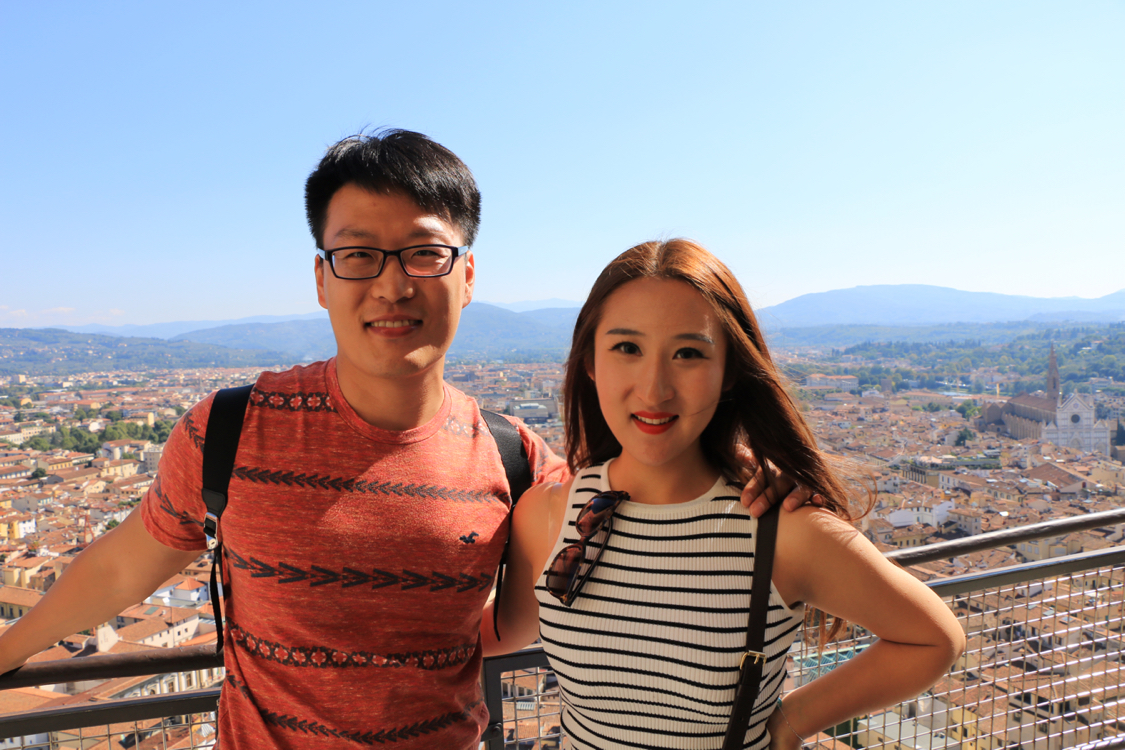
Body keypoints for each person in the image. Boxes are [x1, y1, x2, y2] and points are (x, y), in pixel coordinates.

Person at [0, 133, 805, 750]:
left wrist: (740, 474)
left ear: (467, 276)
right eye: (358, 255)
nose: (391, 284)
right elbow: (120, 566)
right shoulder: (228, 431)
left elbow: (630, 519)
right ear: (322, 278)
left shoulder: (518, 461)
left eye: (423, 253)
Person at [490, 239, 966, 750]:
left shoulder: (781, 531)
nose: (654, 389)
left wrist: (788, 725)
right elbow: (499, 634)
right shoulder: (547, 514)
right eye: (627, 348)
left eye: (688, 354)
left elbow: (933, 639)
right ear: (589, 361)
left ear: (729, 372)